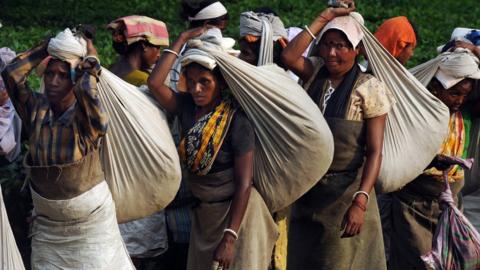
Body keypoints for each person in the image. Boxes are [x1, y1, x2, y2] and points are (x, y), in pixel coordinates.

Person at [148, 27, 277, 270]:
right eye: (192, 81)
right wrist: (183, 38)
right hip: (205, 217)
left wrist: (230, 237)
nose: (197, 89)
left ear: (221, 82)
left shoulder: (237, 121)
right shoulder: (186, 108)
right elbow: (155, 82)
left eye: (205, 82)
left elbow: (244, 183)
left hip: (239, 217)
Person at [1, 33, 134, 269]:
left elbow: (98, 115)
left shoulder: (86, 118)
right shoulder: (36, 110)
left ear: (75, 80)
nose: (53, 81)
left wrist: (87, 69)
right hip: (48, 230)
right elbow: (12, 74)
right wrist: (46, 48)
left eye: (63, 76)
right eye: (50, 74)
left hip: (91, 229)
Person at [282, 2, 392, 269]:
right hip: (308, 192)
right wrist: (327, 15)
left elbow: (375, 151)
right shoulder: (315, 73)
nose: (331, 53)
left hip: (345, 197)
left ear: (357, 50)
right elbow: (287, 57)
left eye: (341, 46)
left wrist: (361, 201)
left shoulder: (370, 89)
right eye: (326, 44)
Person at [390, 49, 480, 270]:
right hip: (414, 203)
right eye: (454, 93)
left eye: (465, 94)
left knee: (449, 261)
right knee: (418, 261)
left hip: (448, 204)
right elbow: (406, 156)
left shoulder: (463, 114)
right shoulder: (420, 115)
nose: (459, 100)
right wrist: (432, 162)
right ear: (436, 88)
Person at [237, 9, 290, 270]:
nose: (240, 60)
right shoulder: (237, 86)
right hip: (242, 192)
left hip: (274, 191)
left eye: (246, 54)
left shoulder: (285, 89)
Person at [108, 15, 169, 86]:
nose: (159, 55)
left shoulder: (109, 70)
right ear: (144, 45)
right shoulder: (144, 81)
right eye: (157, 48)